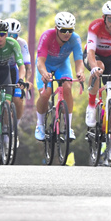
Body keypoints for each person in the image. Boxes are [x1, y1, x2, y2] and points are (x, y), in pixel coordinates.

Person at [34, 12, 85, 141]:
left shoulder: (75, 38)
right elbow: (40, 61)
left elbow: (79, 61)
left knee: (67, 87)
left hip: (62, 65)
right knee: (46, 93)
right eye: (63, 30)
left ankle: (68, 127)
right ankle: (40, 125)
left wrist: (80, 72)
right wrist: (44, 73)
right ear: (56, 29)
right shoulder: (47, 36)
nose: (67, 33)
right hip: (45, 64)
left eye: (70, 30)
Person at [85, 1, 111, 128]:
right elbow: (90, 51)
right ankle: (91, 105)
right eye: (110, 19)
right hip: (95, 56)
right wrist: (94, 68)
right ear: (104, 18)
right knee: (99, 68)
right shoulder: (96, 26)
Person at [5, 18, 31, 122]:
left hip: (13, 70)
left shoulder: (21, 43)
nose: (12, 38)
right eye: (9, 35)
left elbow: (27, 66)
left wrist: (27, 80)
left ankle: (15, 126)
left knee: (18, 100)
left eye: (14, 35)